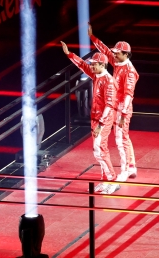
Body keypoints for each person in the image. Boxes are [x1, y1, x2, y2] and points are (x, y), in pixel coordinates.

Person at [60, 41, 120, 194]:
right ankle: (105, 179)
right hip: (95, 118)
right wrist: (69, 54)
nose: (92, 66)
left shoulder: (109, 82)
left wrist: (100, 124)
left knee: (99, 149)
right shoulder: (96, 75)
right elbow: (82, 65)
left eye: (95, 64)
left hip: (104, 120)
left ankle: (112, 179)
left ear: (102, 65)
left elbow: (109, 105)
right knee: (100, 150)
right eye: (92, 64)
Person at [88, 23, 139, 181]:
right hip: (115, 106)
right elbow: (104, 50)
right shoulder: (117, 62)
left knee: (120, 138)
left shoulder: (130, 72)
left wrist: (123, 114)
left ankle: (125, 170)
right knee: (123, 136)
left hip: (123, 108)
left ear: (126, 54)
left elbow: (129, 94)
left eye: (118, 53)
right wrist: (92, 37)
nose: (114, 55)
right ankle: (131, 166)